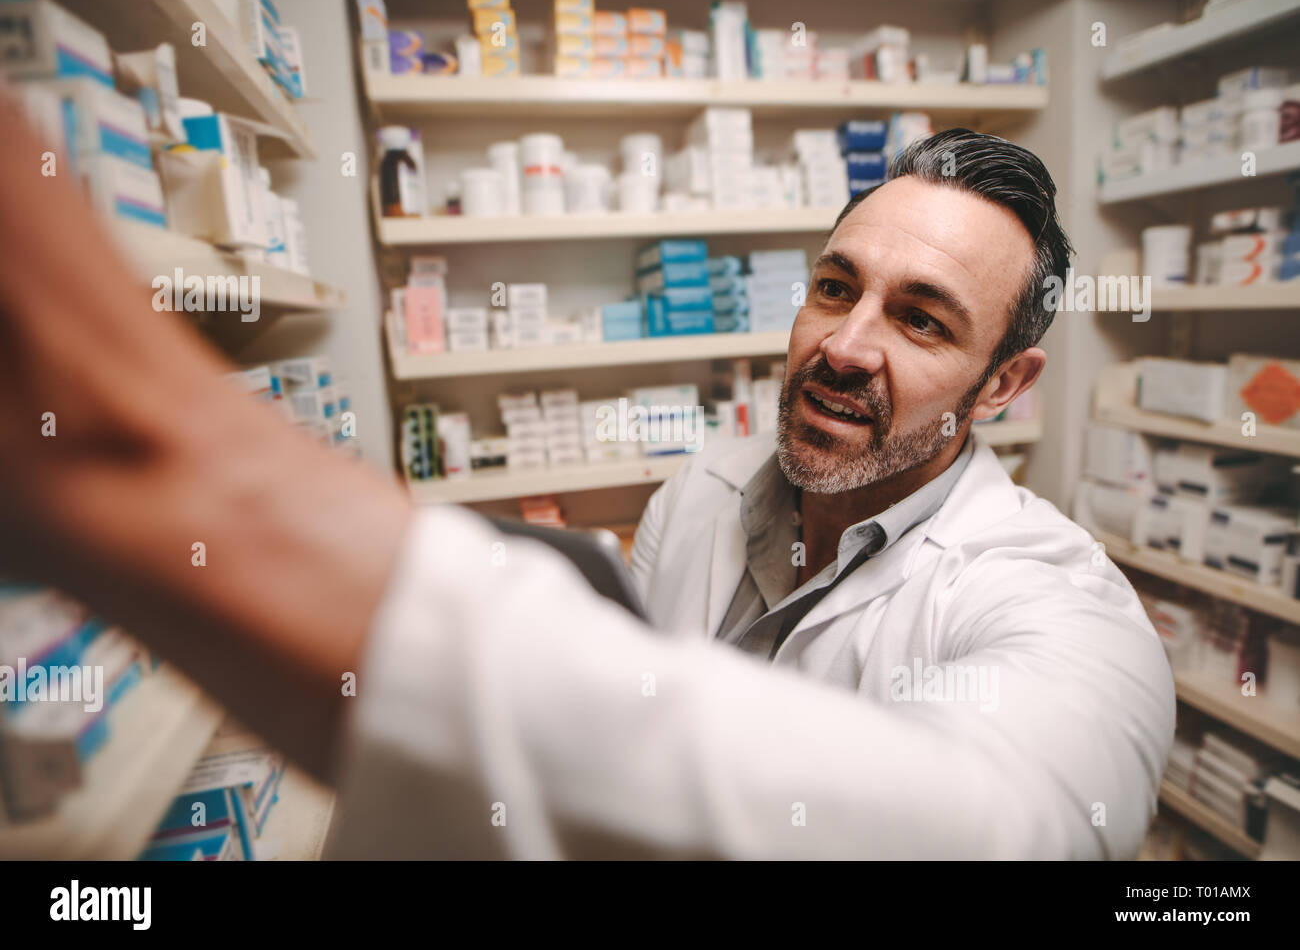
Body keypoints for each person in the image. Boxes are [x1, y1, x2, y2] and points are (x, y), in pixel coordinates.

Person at [0, 90, 1173, 858]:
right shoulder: (705, 490)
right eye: (834, 286)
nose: (845, 343)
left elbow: (1004, 834)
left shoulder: (1063, 612)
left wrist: (163, 463)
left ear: (1005, 384)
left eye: (920, 321)